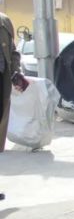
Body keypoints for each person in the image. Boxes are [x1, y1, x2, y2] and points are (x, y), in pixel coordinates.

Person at [1, 12, 27, 153]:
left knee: (3, 110)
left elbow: (13, 51)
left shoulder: (5, 22)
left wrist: (16, 73)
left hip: (3, 75)